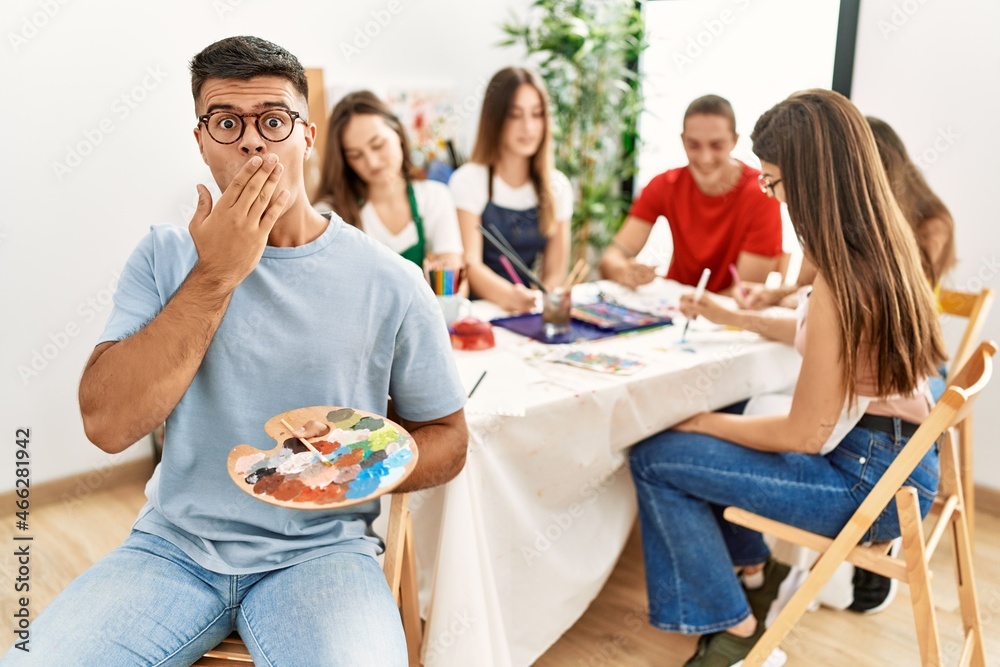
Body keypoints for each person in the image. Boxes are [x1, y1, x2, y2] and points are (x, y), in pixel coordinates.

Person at [2, 36, 468, 667]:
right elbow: (107, 426)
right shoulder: (165, 257)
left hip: (322, 555)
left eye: (273, 120)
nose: (252, 141)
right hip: (173, 549)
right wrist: (216, 274)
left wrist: (355, 469)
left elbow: (447, 435)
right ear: (201, 141)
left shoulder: (390, 280)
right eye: (226, 122)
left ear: (306, 135)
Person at [628, 89, 946, 666]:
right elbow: (824, 344)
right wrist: (735, 316)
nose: (768, 193)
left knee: (656, 455)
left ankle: (735, 629)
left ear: (809, 179)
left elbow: (804, 434)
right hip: (902, 466)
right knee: (703, 437)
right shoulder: (881, 245)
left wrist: (706, 421)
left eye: (771, 180)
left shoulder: (841, 281)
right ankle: (755, 571)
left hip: (865, 486)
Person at [738, 115, 956, 310]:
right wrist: (773, 294)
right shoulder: (838, 217)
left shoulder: (932, 224)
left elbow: (895, 303)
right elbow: (804, 285)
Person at [598, 94, 783, 294]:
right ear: (683, 140)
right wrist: (624, 271)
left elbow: (744, 292)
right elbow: (611, 258)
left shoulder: (762, 192)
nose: (704, 158)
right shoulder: (665, 184)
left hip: (720, 320)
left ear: (735, 141)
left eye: (716, 145)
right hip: (675, 308)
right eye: (693, 145)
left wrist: (697, 307)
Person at [450, 66, 572, 312]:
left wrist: (541, 301)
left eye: (537, 115)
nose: (528, 127)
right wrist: (510, 297)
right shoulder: (468, 180)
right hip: (480, 313)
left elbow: (555, 272)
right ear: (495, 120)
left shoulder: (557, 186)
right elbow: (470, 264)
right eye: (515, 115)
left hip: (528, 311)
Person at [314, 90, 464, 271]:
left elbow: (453, 279)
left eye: (378, 145)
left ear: (398, 133)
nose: (372, 162)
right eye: (355, 155)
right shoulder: (329, 214)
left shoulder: (434, 197)